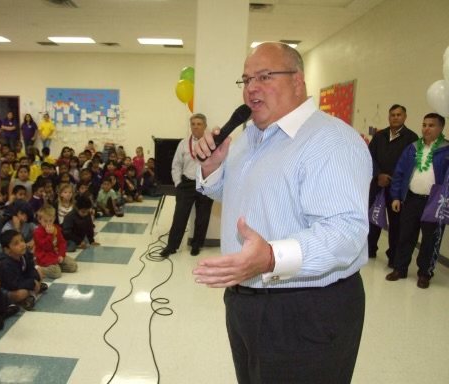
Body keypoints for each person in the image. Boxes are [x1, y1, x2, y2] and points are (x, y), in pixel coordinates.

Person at [193, 42, 372, 383]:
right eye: (246, 80)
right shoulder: (248, 139)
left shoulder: (331, 141)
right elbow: (233, 195)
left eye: (264, 76)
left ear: (298, 81)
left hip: (305, 308)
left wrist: (272, 258)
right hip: (245, 299)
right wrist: (212, 169)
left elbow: (345, 232)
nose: (251, 88)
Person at [386, 113, 449, 289]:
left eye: (431, 125)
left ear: (441, 128)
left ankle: (424, 273)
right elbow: (398, 173)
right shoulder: (412, 148)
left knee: (430, 239)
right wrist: (396, 197)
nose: (426, 128)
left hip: (434, 202)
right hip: (412, 199)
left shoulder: (446, 150)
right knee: (405, 235)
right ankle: (400, 268)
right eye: (424, 125)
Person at [367, 104, 418, 266]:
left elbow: (410, 164)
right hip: (378, 184)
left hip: (397, 188)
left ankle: (393, 256)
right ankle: (370, 249)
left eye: (399, 115)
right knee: (373, 218)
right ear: (388, 117)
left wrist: (394, 179)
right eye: (392, 115)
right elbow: (369, 157)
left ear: (405, 117)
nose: (395, 117)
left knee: (396, 223)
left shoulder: (411, 138)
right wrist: (379, 175)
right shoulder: (379, 136)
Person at [160, 113, 214, 257]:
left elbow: (219, 163)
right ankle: (171, 246)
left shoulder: (213, 143)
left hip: (205, 184)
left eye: (199, 124)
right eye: (193, 124)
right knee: (179, 217)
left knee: (203, 217)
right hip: (187, 184)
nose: (195, 127)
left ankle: (197, 245)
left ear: (205, 126)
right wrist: (178, 183)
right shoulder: (184, 143)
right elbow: (176, 165)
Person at [0, 230, 47, 311]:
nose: (22, 244)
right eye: (16, 244)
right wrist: (32, 283)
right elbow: (13, 284)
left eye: (22, 240)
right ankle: (32, 294)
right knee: (22, 294)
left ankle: (31, 296)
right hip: (8, 289)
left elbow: (31, 270)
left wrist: (34, 279)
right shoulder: (5, 264)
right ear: (7, 250)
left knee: (39, 270)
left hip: (22, 280)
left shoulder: (24, 255)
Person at [34, 205, 78, 279]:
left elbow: (62, 243)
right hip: (45, 256)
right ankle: (38, 270)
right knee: (56, 273)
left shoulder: (56, 228)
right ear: (39, 220)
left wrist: (61, 254)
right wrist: (49, 235)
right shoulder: (37, 232)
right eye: (45, 221)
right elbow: (45, 247)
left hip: (56, 255)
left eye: (50, 221)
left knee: (73, 266)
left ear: (54, 219)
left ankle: (56, 266)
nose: (48, 223)